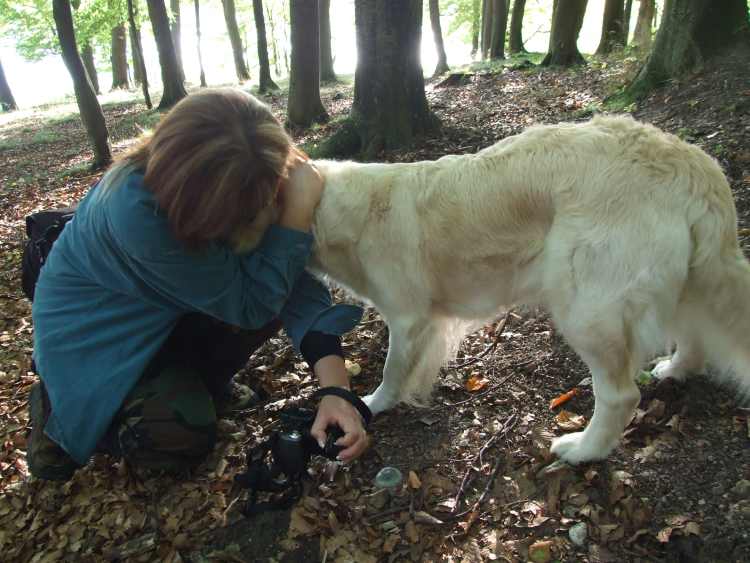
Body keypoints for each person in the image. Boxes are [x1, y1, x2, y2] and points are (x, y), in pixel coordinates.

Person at [27, 87, 367, 481]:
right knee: (179, 436)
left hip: (164, 312)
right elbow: (256, 301)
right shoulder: (136, 214)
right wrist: (296, 215)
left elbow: (291, 282)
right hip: (94, 345)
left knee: (269, 276)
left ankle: (198, 381)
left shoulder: (242, 168)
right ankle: (59, 414)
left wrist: (337, 392)